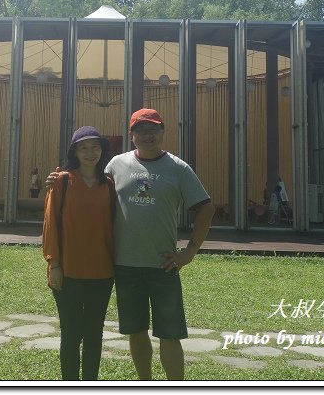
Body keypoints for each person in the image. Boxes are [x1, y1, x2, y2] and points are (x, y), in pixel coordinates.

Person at [47, 109, 216, 380]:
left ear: (163, 132)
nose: (147, 135)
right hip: (124, 266)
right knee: (136, 331)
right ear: (132, 135)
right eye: (141, 130)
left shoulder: (178, 167)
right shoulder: (115, 164)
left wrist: (190, 251)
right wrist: (58, 177)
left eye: (153, 129)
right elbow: (85, 175)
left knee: (170, 334)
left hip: (164, 266)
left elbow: (206, 208)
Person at [42, 126, 116, 381]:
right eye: (83, 147)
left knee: (95, 333)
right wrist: (54, 264)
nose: (90, 152)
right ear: (74, 151)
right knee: (71, 334)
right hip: (68, 271)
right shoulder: (62, 180)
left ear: (102, 151)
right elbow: (50, 224)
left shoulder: (109, 184)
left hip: (103, 272)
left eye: (95, 147)